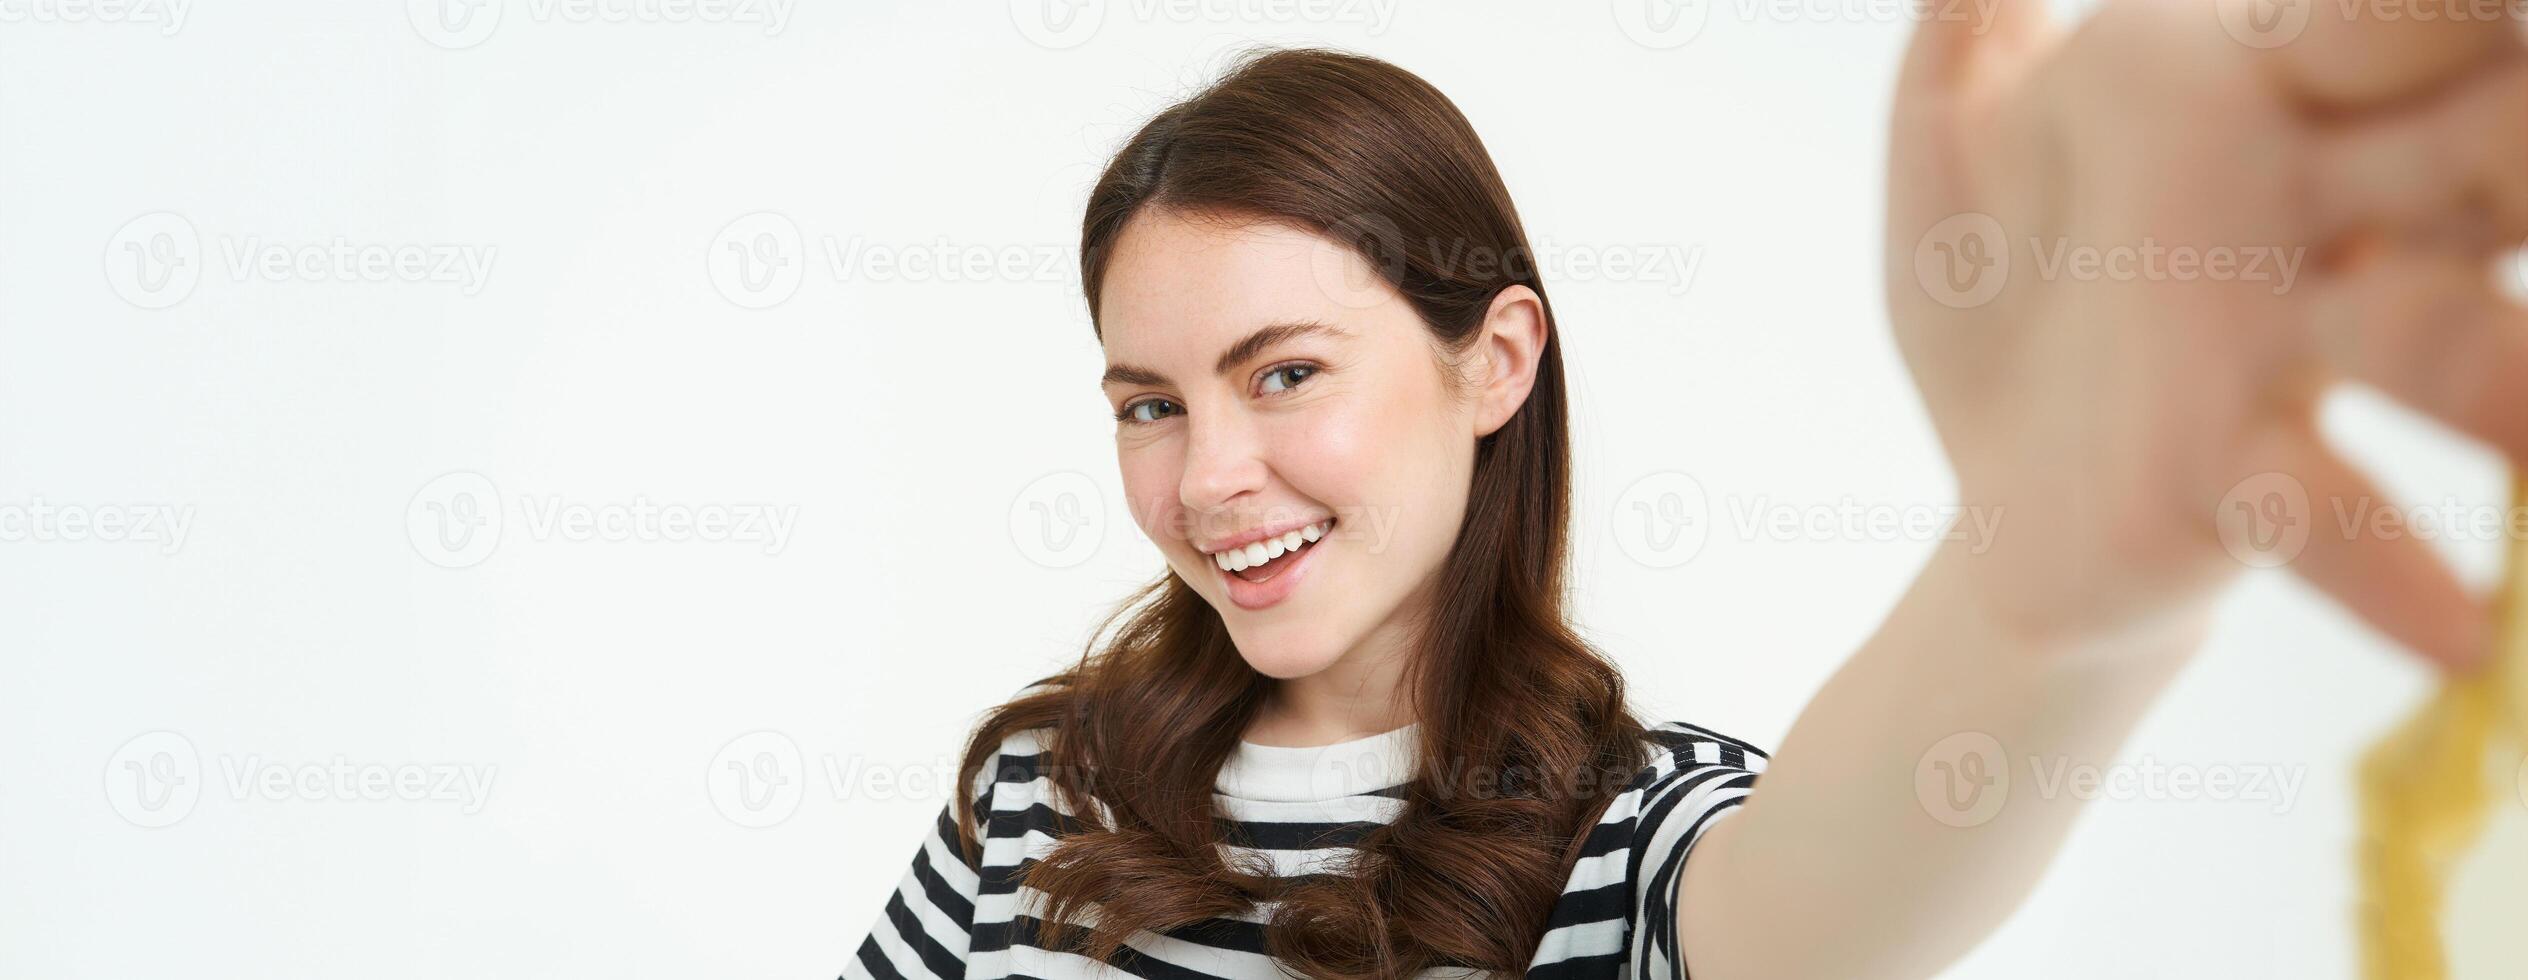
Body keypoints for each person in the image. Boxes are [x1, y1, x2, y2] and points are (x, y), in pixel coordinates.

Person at [845, 3, 2528, 977]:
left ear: (1494, 361)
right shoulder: (1033, 797)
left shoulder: (1637, 838)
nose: (1209, 477)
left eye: (1286, 373)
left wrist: (2041, 605)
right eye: (1151, 403)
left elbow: (1830, 911)